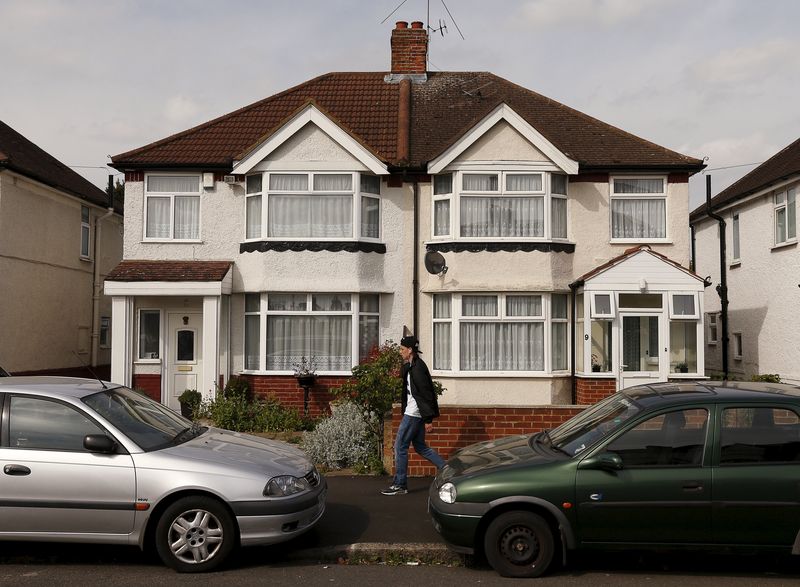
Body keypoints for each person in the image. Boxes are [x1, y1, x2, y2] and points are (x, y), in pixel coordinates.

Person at [381, 334, 445, 495]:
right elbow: (404, 374)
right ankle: (447, 469)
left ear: (410, 350)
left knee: (400, 446)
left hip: (414, 412)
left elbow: (427, 393)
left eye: (402, 349)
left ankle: (400, 485)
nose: (400, 352)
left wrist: (428, 419)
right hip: (414, 411)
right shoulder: (412, 365)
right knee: (420, 447)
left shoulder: (418, 369)